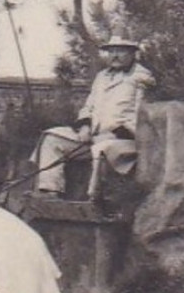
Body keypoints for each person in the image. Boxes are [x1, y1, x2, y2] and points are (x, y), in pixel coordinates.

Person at [33, 37, 155, 200]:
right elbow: (88, 107)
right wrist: (85, 127)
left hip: (124, 141)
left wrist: (116, 133)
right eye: (111, 51)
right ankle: (50, 191)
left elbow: (143, 115)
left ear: (133, 53)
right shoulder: (102, 77)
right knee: (52, 138)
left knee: (103, 148)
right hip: (94, 137)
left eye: (121, 50)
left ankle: (94, 199)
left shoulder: (142, 78)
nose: (115, 55)